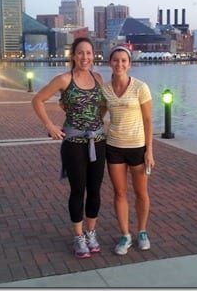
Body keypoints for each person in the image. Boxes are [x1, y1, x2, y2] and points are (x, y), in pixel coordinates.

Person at [31, 37, 107, 259]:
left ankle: (91, 232)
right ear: (73, 56)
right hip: (74, 144)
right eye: (81, 53)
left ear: (94, 56)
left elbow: (102, 106)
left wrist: (97, 123)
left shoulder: (99, 78)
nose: (85, 57)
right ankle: (78, 236)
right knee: (78, 190)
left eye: (89, 53)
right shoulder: (64, 79)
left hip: (98, 142)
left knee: (95, 190)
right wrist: (50, 126)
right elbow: (38, 100)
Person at [101, 45, 155, 255]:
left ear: (129, 64)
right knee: (120, 192)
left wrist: (149, 150)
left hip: (137, 148)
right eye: (115, 60)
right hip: (114, 147)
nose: (119, 64)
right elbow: (98, 115)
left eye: (124, 60)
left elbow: (148, 120)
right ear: (110, 63)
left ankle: (142, 231)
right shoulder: (105, 89)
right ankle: (125, 235)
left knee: (141, 193)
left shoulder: (141, 87)